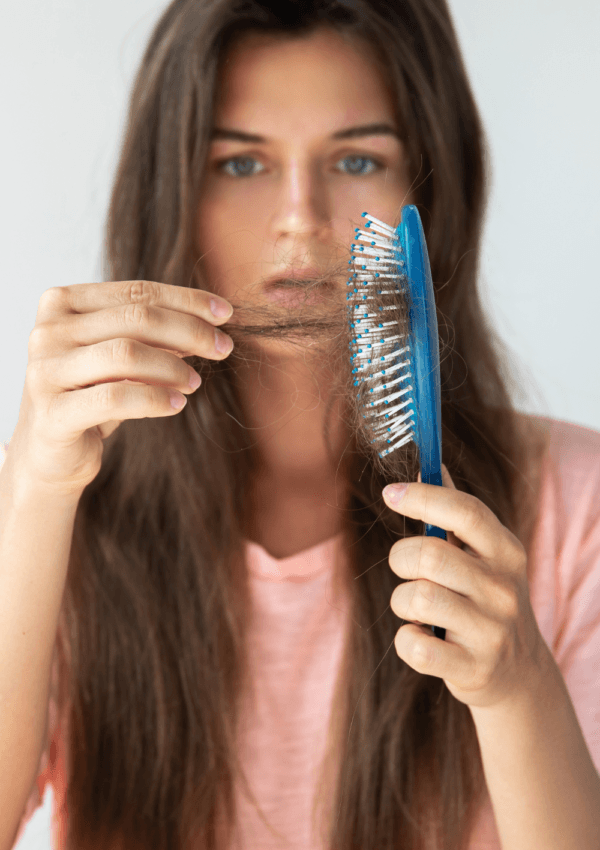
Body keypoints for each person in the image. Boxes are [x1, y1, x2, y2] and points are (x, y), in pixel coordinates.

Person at [1, 1, 599, 849]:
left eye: (357, 157)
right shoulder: (50, 509)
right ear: (169, 191)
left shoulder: (579, 508)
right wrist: (30, 491)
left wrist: (516, 686)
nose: (299, 216)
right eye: (240, 164)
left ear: (435, 184)